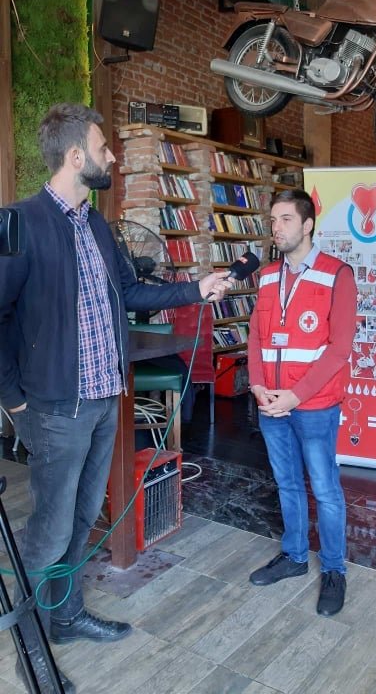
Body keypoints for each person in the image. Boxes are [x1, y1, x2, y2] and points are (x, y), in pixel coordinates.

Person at [0, 104, 232, 693]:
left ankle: (66, 615)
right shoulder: (19, 222)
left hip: (106, 400)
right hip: (55, 408)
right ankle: (31, 650)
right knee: (49, 530)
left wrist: (196, 288)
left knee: (82, 519)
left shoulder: (98, 226)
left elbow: (130, 291)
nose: (112, 157)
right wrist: (13, 401)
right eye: (104, 148)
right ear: (76, 155)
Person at [247, 189, 357, 617]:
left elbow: (339, 350)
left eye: (286, 219)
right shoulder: (266, 276)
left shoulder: (337, 274)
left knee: (325, 491)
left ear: (308, 224)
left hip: (314, 405)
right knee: (287, 484)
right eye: (273, 220)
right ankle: (293, 556)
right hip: (271, 403)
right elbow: (256, 337)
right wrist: (258, 386)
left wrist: (295, 395)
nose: (277, 228)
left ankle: (333, 571)